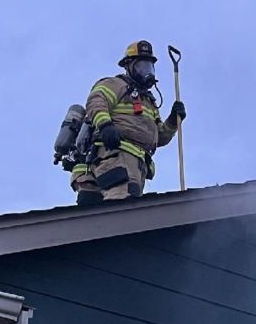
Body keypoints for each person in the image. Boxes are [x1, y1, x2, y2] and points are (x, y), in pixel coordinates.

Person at [71, 41, 186, 205]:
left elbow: (159, 138)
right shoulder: (117, 85)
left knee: (116, 207)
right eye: (141, 66)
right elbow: (96, 100)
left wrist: (173, 121)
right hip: (117, 156)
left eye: (149, 66)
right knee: (122, 204)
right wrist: (105, 125)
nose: (146, 71)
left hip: (135, 163)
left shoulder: (149, 103)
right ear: (128, 66)